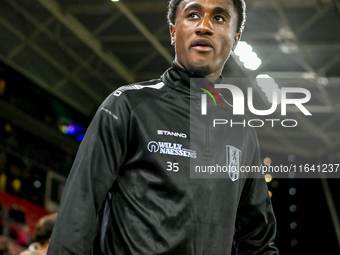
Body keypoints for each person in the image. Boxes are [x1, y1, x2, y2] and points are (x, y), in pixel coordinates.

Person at [48, 0, 279, 254]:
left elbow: (258, 241)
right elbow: (77, 215)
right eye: (192, 15)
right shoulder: (127, 106)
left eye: (219, 18)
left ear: (235, 39)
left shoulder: (241, 132)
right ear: (173, 31)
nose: (204, 26)